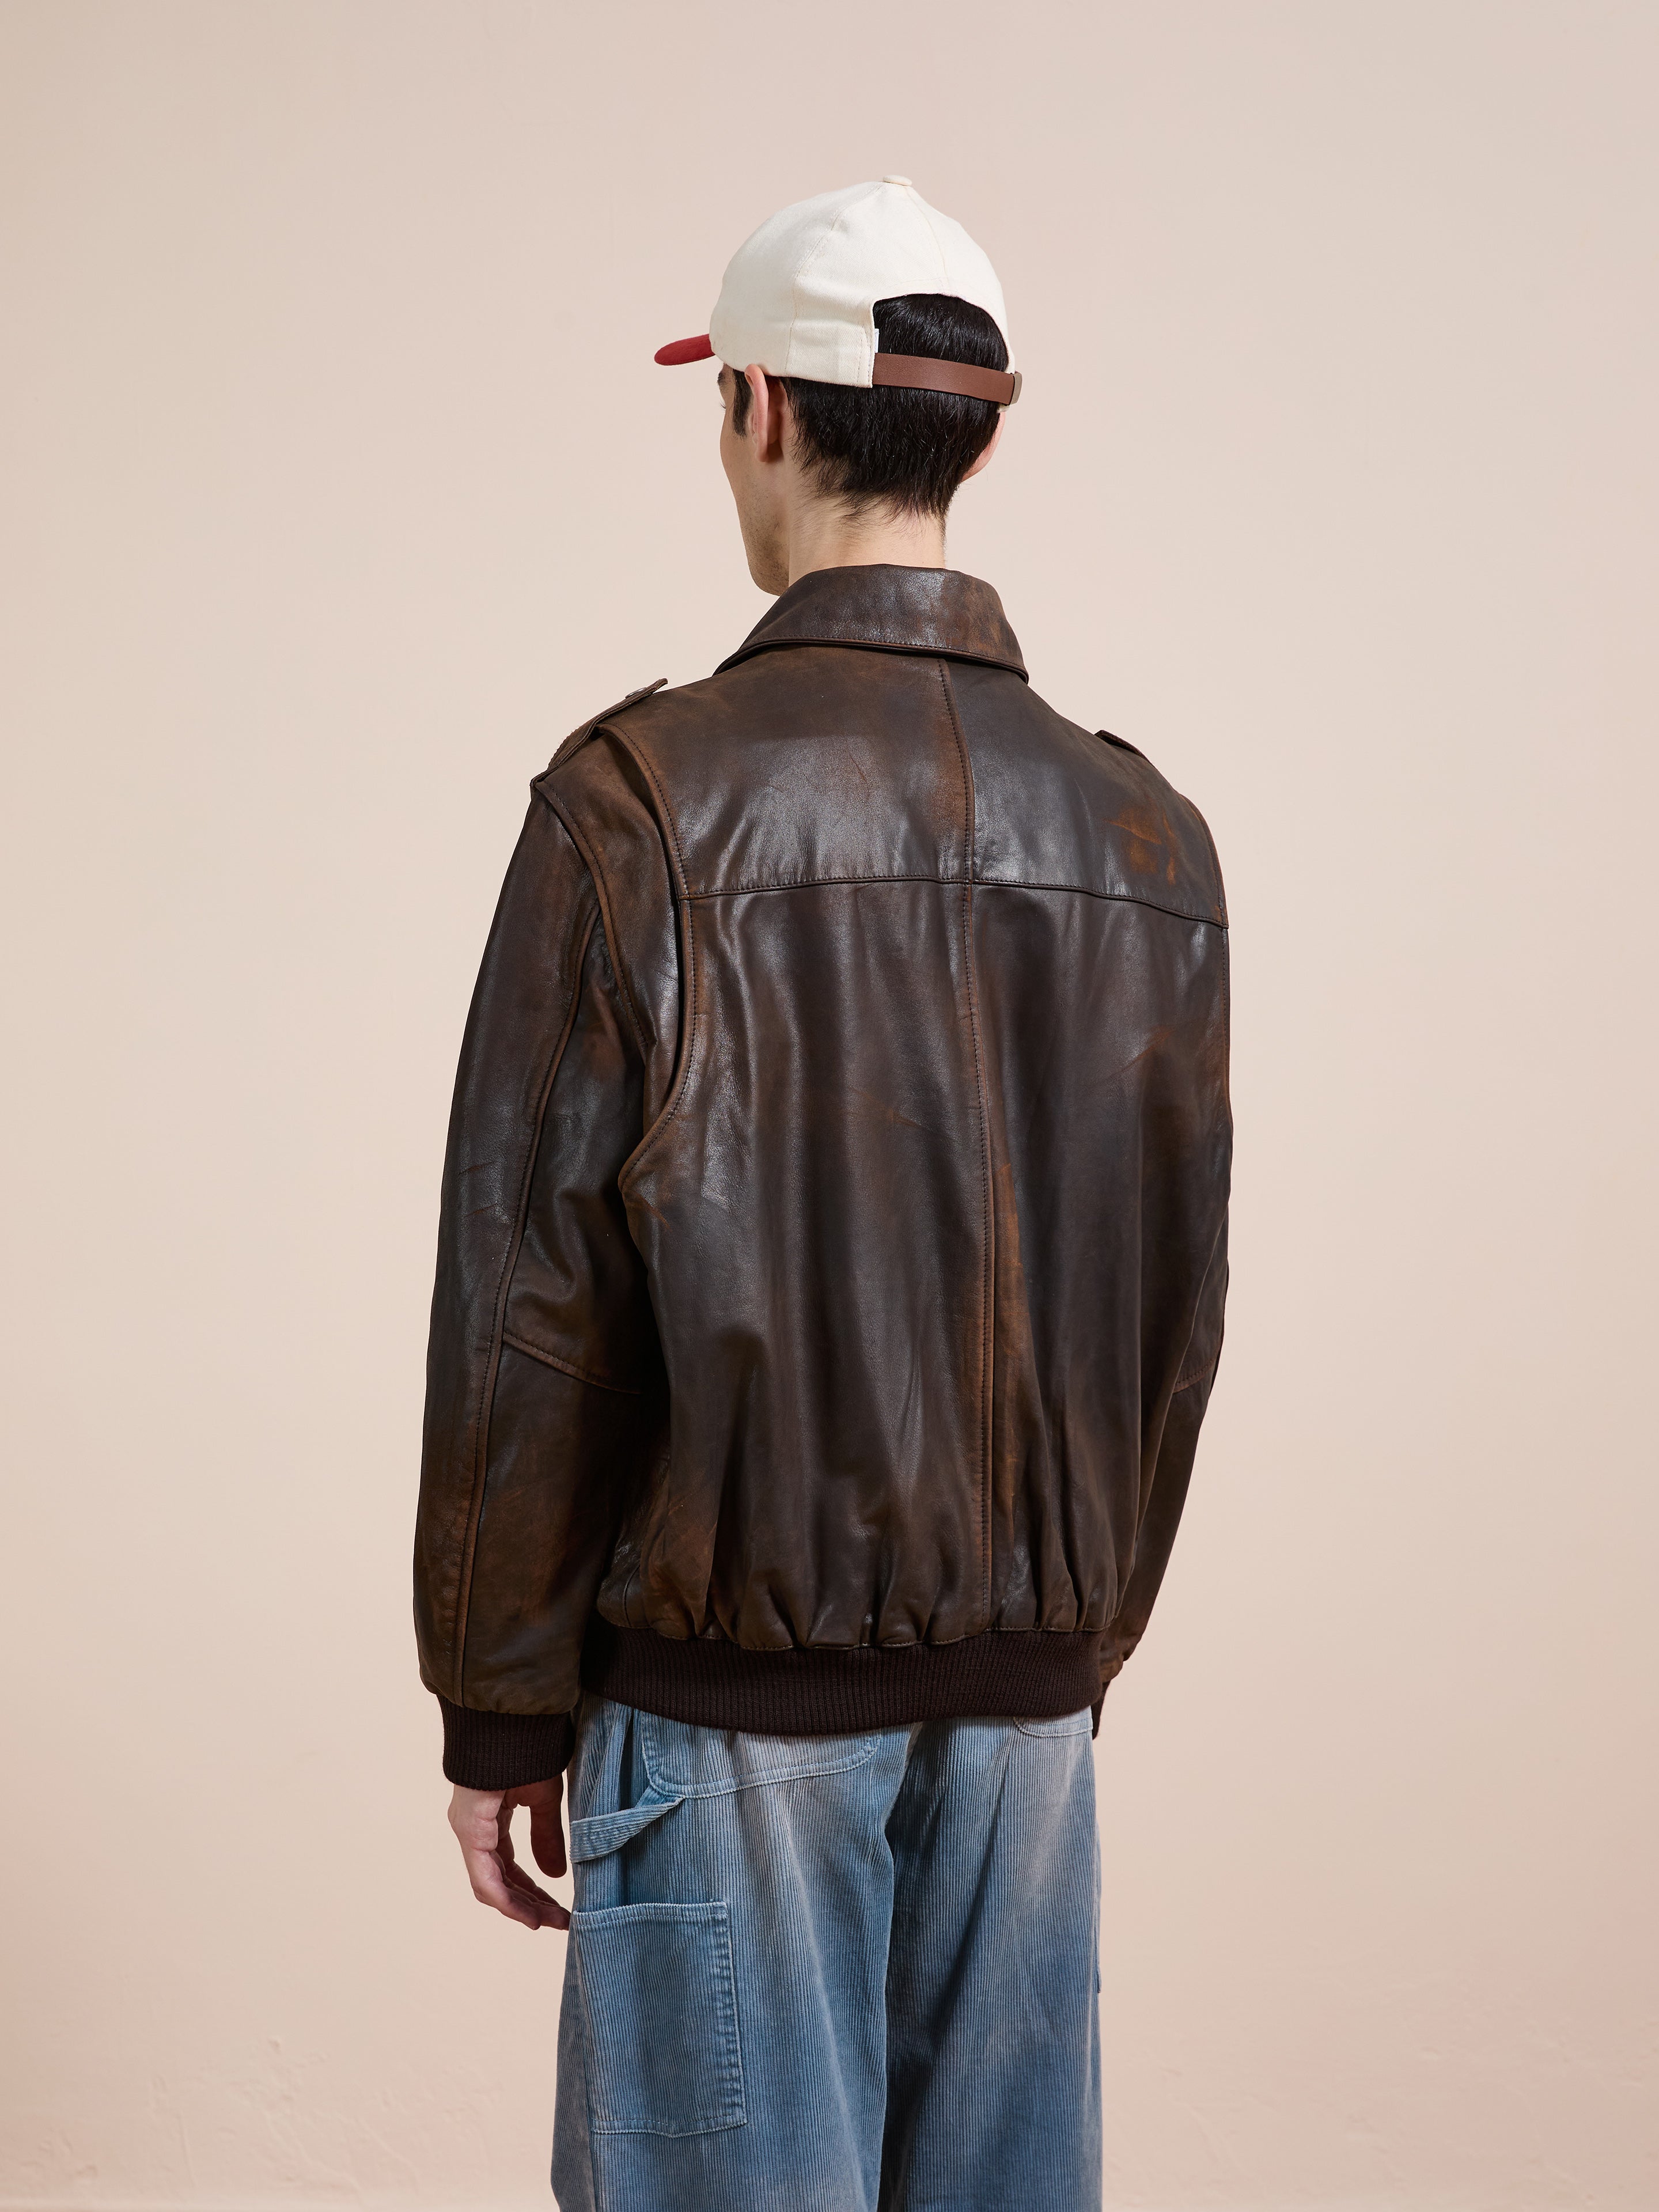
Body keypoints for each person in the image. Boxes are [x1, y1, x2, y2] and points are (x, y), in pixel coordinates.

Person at [413, 176, 1231, 2212]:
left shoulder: (640, 804)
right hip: (1033, 1724)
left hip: (726, 1706)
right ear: (988, 427)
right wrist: (1068, 1645)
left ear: (759, 410)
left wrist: (499, 1698)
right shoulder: (1149, 833)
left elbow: (537, 1295)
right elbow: (1174, 1306)